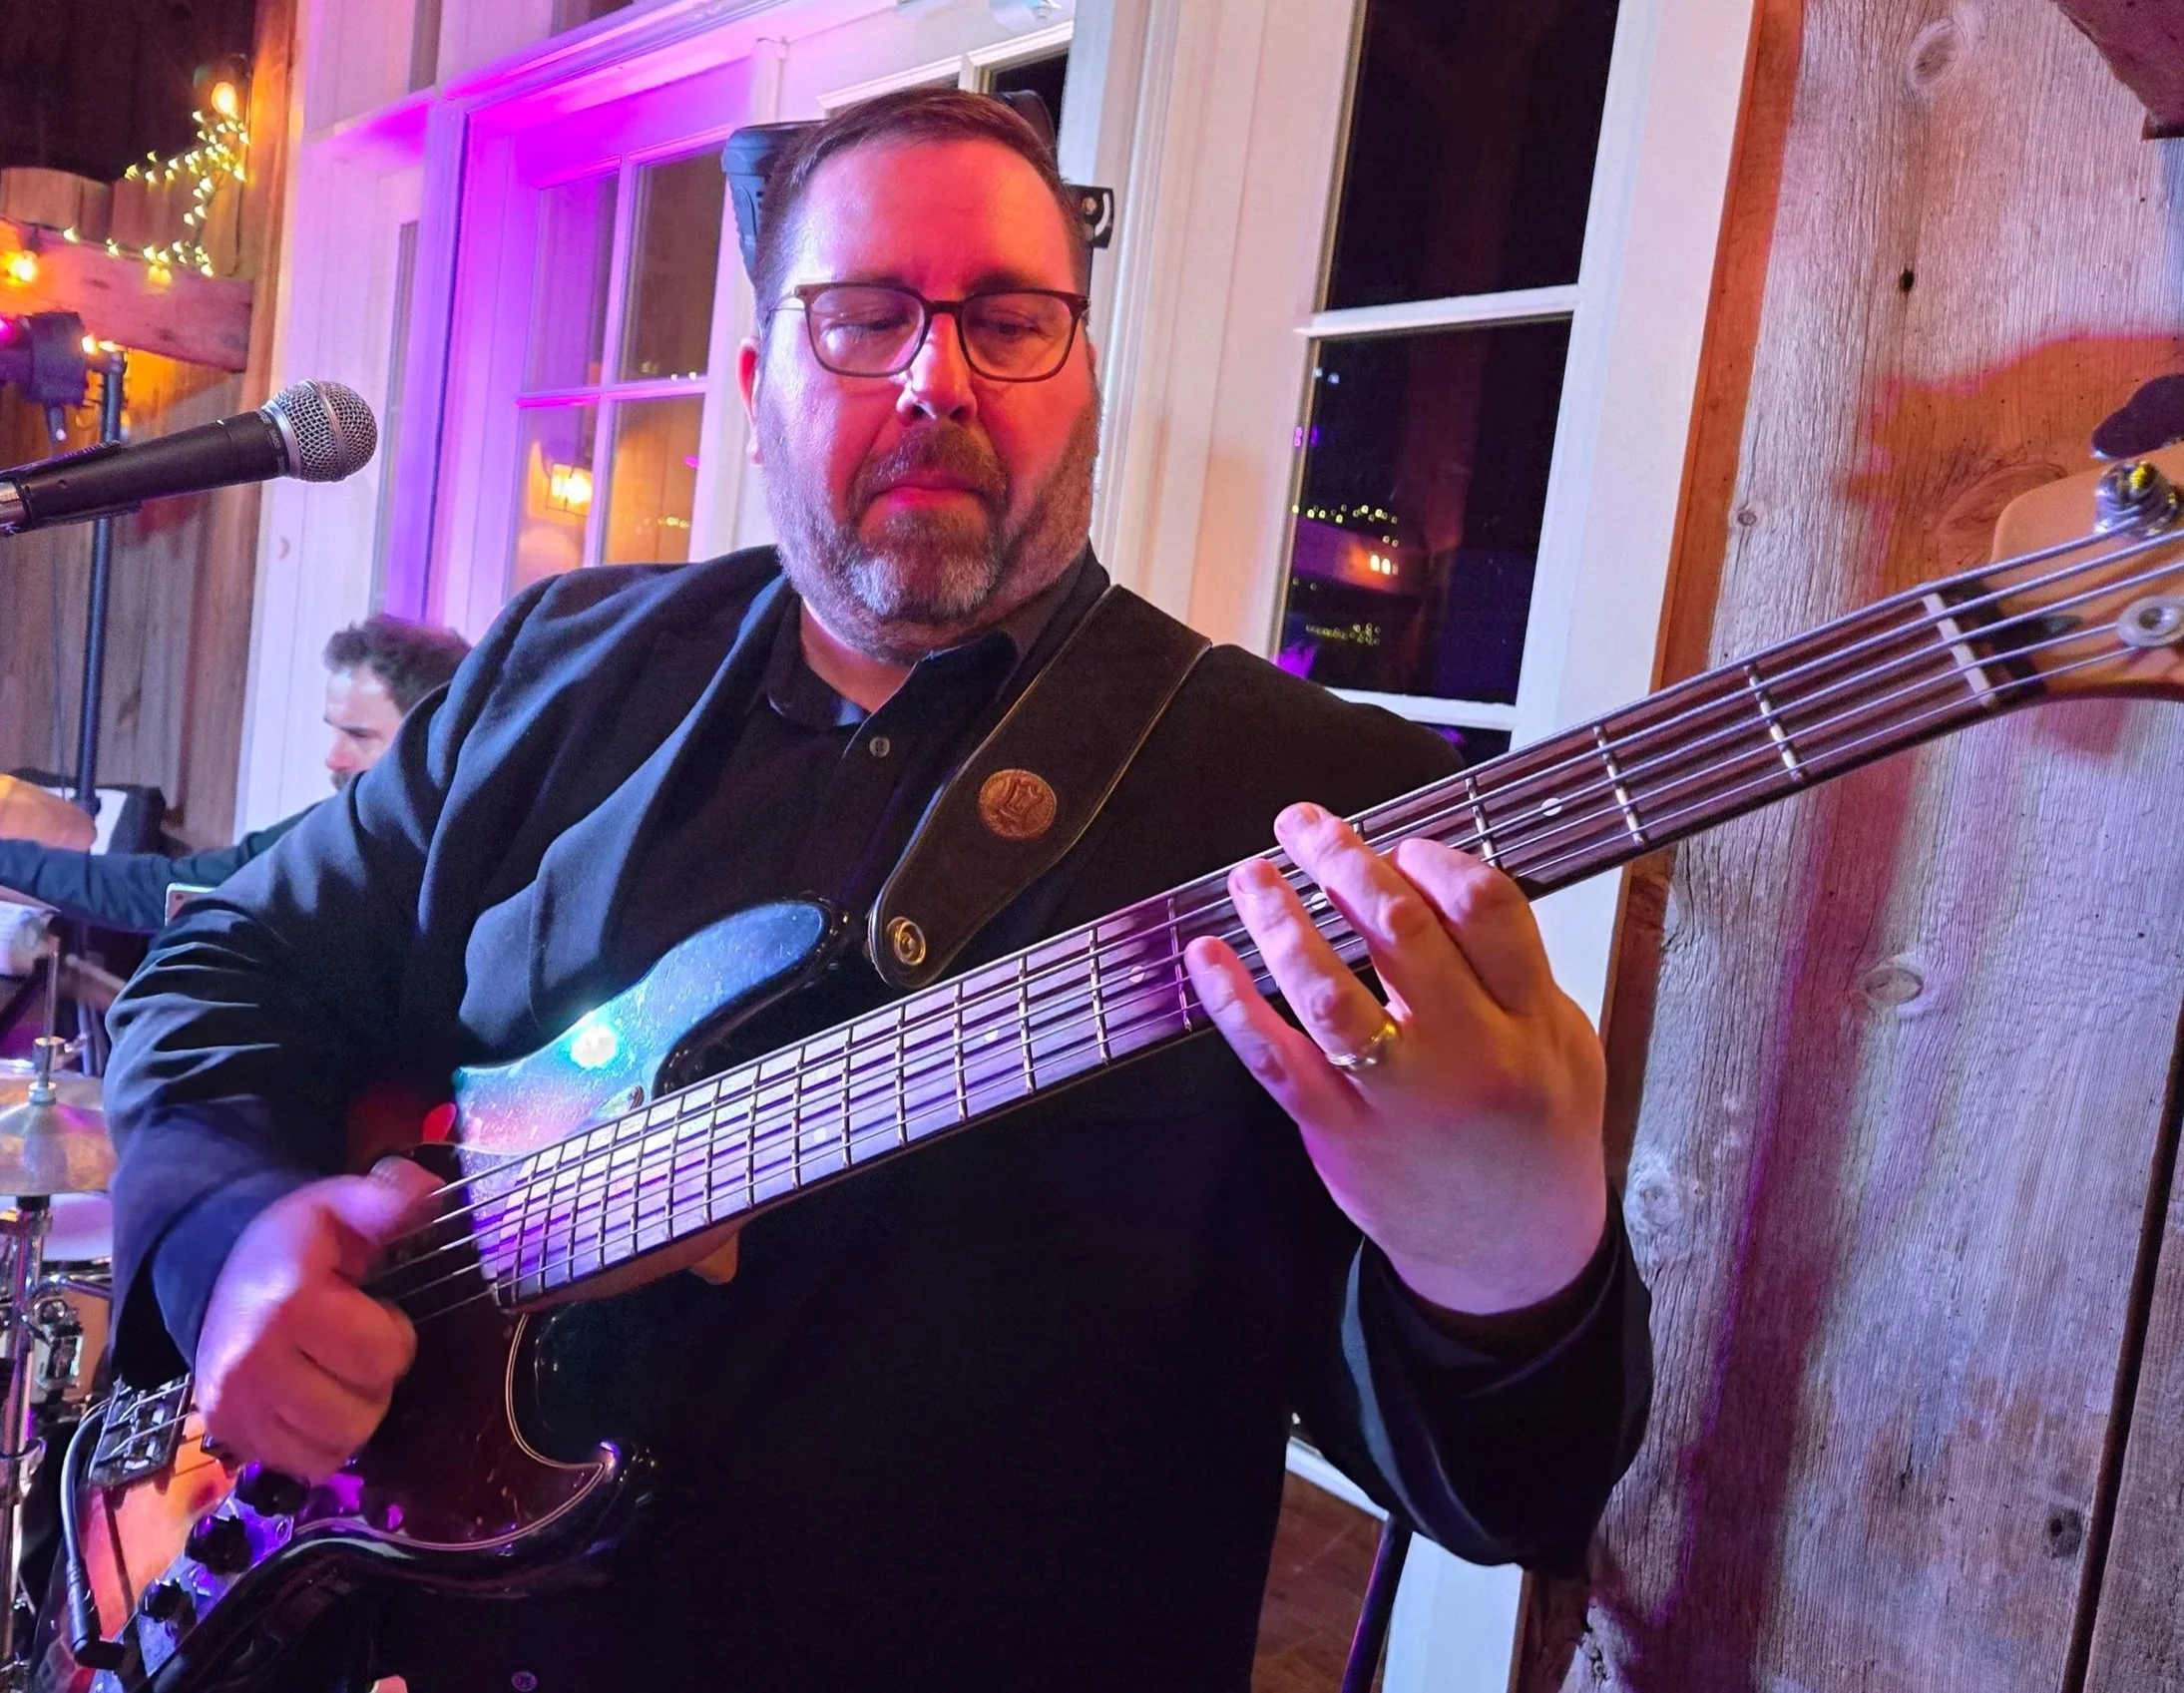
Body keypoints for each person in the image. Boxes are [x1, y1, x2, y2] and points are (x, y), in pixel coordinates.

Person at [102, 89, 1651, 1693]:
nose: (938, 376)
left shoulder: (1315, 817)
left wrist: (1507, 1249)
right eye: (864, 319)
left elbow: (1515, 1490)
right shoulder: (558, 669)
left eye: (1010, 319)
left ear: (1085, 380)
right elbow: (229, 963)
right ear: (765, 384)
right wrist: (231, 1238)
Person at [0, 616, 470, 934]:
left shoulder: (469, 850)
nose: (334, 759)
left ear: (436, 736)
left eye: (360, 736)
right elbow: (167, 891)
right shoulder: (341, 829)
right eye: (335, 732)